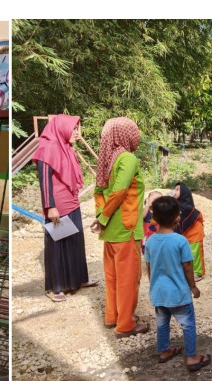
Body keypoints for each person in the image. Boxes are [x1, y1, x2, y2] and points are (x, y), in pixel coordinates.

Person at [90, 117, 149, 338]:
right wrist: (103, 217)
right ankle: (125, 325)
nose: (137, 136)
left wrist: (100, 216)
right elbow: (120, 191)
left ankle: (112, 317)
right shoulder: (127, 158)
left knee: (113, 276)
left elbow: (99, 192)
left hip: (111, 233)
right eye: (134, 131)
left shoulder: (107, 159)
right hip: (127, 229)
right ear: (125, 135)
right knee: (128, 278)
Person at [32, 114, 99, 303]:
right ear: (62, 128)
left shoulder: (67, 147)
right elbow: (45, 180)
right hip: (57, 206)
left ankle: (79, 279)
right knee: (57, 246)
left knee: (75, 242)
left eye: (78, 129)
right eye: (75, 129)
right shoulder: (47, 148)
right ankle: (55, 287)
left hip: (72, 201)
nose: (78, 134)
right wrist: (50, 206)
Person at [145, 196, 210, 371]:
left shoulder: (150, 241)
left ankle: (165, 351)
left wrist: (154, 286)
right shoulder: (181, 241)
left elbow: (149, 267)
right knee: (188, 325)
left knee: (162, 324)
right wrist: (193, 287)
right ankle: (192, 357)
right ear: (177, 218)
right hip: (179, 294)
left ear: (154, 219)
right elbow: (188, 267)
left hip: (159, 294)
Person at [172, 182, 205, 282]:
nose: (174, 191)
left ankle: (198, 273)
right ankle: (187, 271)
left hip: (194, 233)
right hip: (185, 234)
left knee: (195, 254)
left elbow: (198, 215)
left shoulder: (187, 207)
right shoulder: (175, 206)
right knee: (186, 253)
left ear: (184, 193)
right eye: (174, 189)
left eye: (177, 189)